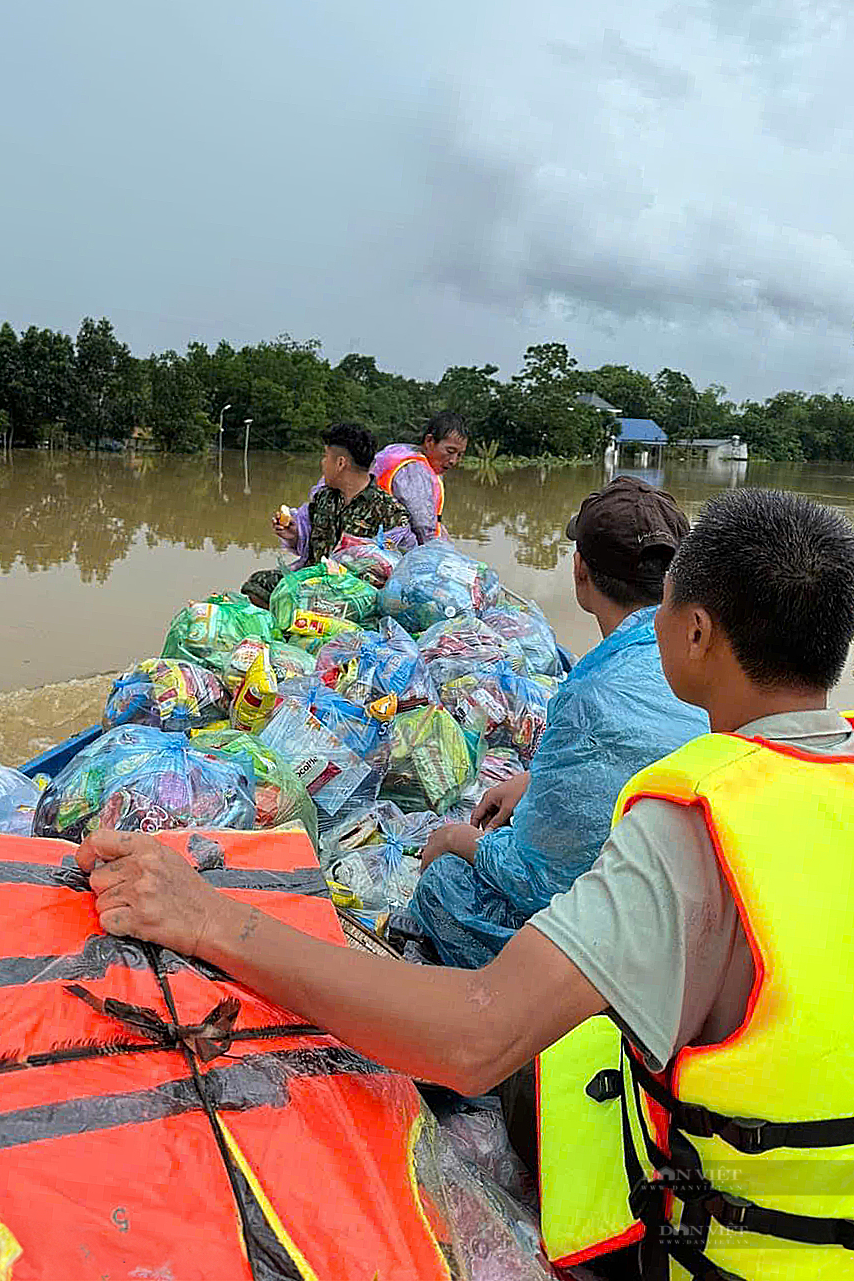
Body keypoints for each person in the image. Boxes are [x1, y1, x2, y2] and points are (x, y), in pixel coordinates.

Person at [78, 488, 854, 1280]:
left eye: (669, 607)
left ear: (696, 632)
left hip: (752, 1255)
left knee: (530, 1060)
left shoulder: (696, 824)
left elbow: (473, 1038)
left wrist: (208, 917)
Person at [408, 476, 709, 968]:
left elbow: (539, 879)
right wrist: (536, 780)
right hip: (688, 910)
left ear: (580, 573)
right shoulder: (699, 657)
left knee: (444, 886)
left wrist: (454, 840)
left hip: (624, 946)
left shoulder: (589, 698)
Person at [241, 422, 414, 608]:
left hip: (351, 595)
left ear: (340, 463)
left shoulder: (389, 512)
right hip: (310, 581)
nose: (322, 463)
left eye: (325, 456)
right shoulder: (323, 497)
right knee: (259, 584)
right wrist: (294, 535)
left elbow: (397, 571)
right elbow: (308, 548)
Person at [372, 411, 469, 543]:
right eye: (450, 451)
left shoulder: (400, 451)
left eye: (459, 455)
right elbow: (423, 526)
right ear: (429, 441)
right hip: (388, 545)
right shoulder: (414, 469)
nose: (453, 460)